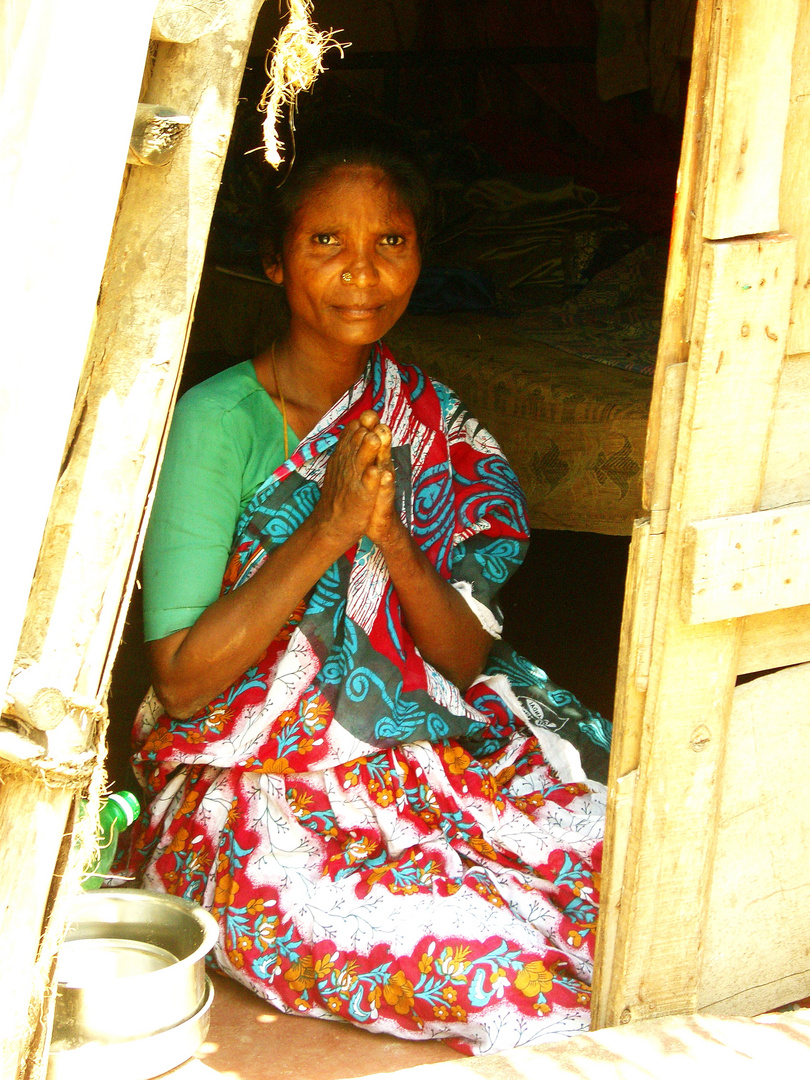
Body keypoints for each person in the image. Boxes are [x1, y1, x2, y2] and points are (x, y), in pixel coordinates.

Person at [126, 110, 610, 1056]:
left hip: (423, 743)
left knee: (620, 879)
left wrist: (388, 536)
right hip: (257, 778)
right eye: (326, 242)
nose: (363, 270)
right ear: (274, 262)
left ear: (422, 257)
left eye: (391, 241)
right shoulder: (216, 424)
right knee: (490, 960)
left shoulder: (426, 418)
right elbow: (183, 681)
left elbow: (464, 659)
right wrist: (328, 528)